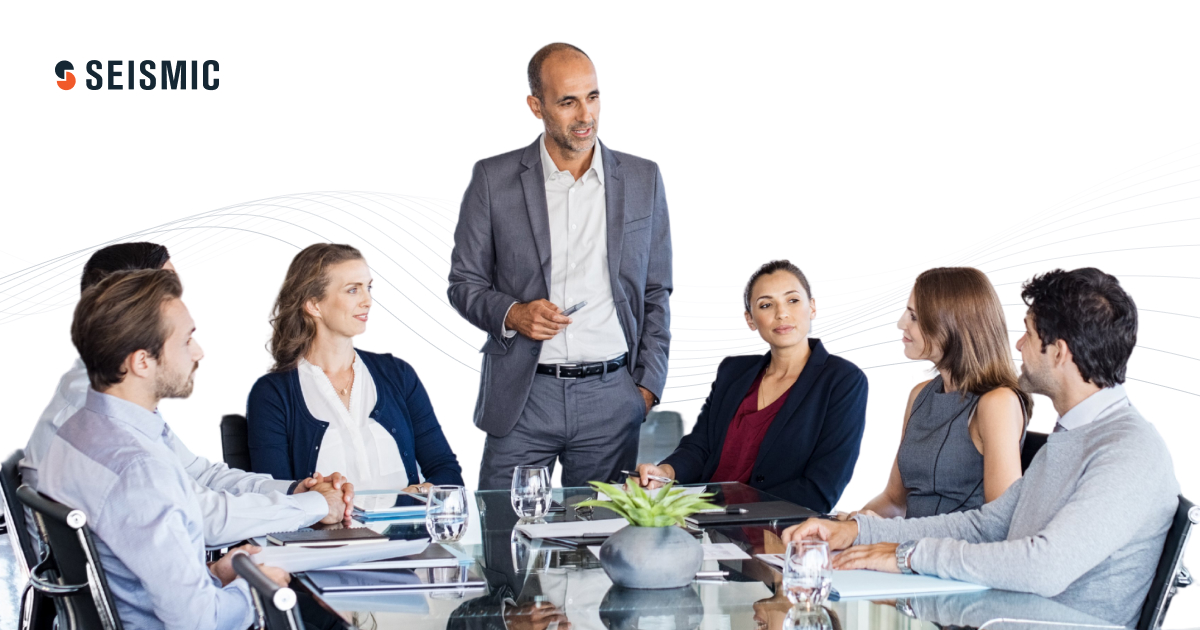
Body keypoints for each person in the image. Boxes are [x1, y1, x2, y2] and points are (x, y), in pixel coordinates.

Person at [782, 268, 1179, 628]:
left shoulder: (1128, 450)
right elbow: (987, 524)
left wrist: (907, 556)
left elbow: (1045, 566)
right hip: (1001, 614)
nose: (1018, 344)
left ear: (1058, 351)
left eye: (1028, 332)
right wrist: (860, 532)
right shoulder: (1074, 433)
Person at [22, 242, 353, 549]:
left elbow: (198, 475)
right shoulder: (98, 416)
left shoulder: (110, 391)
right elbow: (198, 517)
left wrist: (296, 490)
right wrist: (314, 505)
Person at [448, 42, 672, 490]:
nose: (585, 115)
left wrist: (645, 387)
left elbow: (655, 291)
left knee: (599, 546)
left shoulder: (643, 178)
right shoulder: (494, 179)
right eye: (567, 102)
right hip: (524, 395)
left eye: (592, 96)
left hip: (611, 397)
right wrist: (514, 313)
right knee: (501, 539)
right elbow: (464, 283)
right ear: (537, 106)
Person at [35, 269, 290, 629]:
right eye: (187, 341)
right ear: (142, 361)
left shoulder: (74, 432)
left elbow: (133, 573)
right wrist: (256, 591)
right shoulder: (142, 470)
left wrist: (215, 573)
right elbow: (200, 622)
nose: (199, 353)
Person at [634, 261, 868, 512]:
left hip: (773, 531)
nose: (781, 313)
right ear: (750, 319)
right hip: (700, 520)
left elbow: (821, 488)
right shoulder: (733, 372)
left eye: (793, 300)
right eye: (766, 305)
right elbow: (700, 447)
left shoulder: (843, 380)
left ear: (812, 307)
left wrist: (731, 511)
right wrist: (664, 473)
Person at [246, 243, 463, 492]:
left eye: (368, 288)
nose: (367, 301)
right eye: (353, 290)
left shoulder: (398, 375)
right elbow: (274, 496)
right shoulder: (272, 394)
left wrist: (417, 494)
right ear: (314, 305)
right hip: (330, 532)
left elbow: (447, 473)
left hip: (405, 531)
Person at [855, 267, 1031, 518]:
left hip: (950, 554)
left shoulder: (997, 402)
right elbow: (895, 501)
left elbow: (998, 522)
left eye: (914, 317)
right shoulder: (920, 395)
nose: (901, 323)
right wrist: (849, 524)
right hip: (905, 548)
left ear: (953, 325)